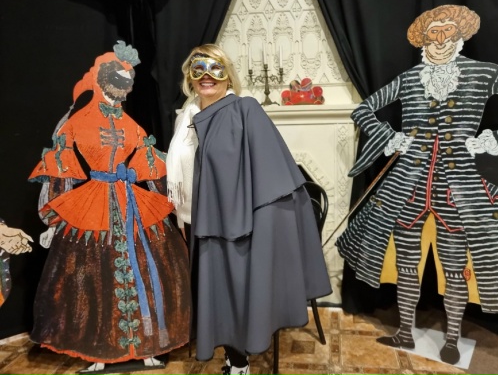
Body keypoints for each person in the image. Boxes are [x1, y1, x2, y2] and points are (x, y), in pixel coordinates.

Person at [336, 4, 498, 365]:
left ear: (460, 35)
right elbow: (362, 110)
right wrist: (391, 137)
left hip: (460, 190)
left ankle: (452, 339)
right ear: (422, 40)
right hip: (407, 187)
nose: (441, 40)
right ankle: (405, 331)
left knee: (454, 266)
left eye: (448, 32)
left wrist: (497, 138)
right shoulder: (408, 78)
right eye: (434, 33)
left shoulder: (486, 73)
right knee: (406, 264)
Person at [167, 43, 332, 375]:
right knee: (216, 296)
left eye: (215, 68)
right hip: (197, 221)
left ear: (228, 76)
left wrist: (266, 228)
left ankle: (239, 363)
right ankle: (234, 359)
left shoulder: (245, 109)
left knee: (234, 295)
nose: (207, 76)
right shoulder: (185, 117)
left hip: (235, 225)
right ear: (189, 77)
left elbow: (273, 173)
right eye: (198, 69)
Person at [28, 41, 191, 371]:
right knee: (94, 278)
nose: (124, 84)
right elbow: (62, 171)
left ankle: (145, 346)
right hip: (93, 201)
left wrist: (175, 205)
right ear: (102, 79)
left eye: (129, 79)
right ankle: (99, 351)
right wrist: (53, 219)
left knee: (147, 268)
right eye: (119, 77)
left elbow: (150, 164)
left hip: (131, 201)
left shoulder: (132, 125)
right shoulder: (76, 123)